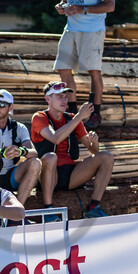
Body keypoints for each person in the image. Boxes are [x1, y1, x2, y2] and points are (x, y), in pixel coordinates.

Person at [31, 80, 115, 220]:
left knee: (106, 156)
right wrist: (79, 117)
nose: (64, 100)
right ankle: (48, 210)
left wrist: (95, 141)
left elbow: (94, 151)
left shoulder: (71, 118)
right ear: (48, 99)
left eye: (65, 96)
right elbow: (55, 138)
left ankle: (94, 206)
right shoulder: (40, 117)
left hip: (70, 174)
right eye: (59, 96)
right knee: (51, 157)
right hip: (48, 174)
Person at [53, 0, 116, 130]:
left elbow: (110, 5)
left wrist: (83, 9)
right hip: (71, 28)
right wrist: (61, 6)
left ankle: (95, 112)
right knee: (63, 68)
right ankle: (72, 113)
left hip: (92, 30)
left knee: (93, 71)